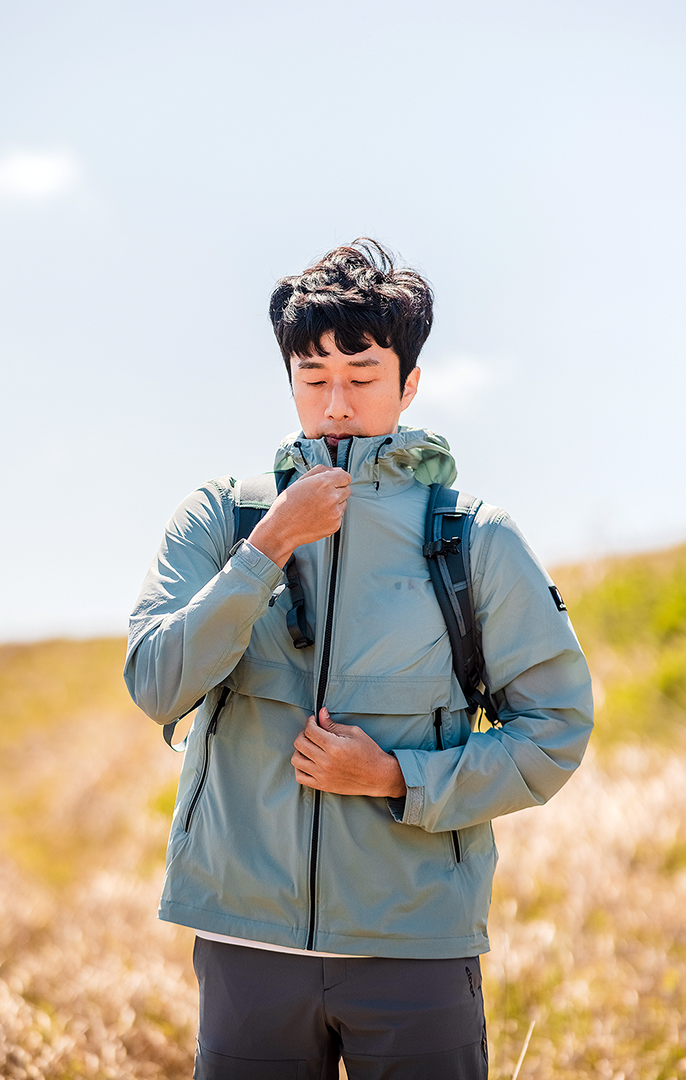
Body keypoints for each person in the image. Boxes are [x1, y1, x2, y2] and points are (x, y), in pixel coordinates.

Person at [125, 239, 593, 1079]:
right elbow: (156, 683)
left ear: (409, 383)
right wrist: (268, 548)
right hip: (245, 941)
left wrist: (396, 779)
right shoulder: (218, 522)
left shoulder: (474, 538)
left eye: (363, 376)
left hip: (415, 944)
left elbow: (554, 730)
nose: (335, 404)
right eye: (313, 378)